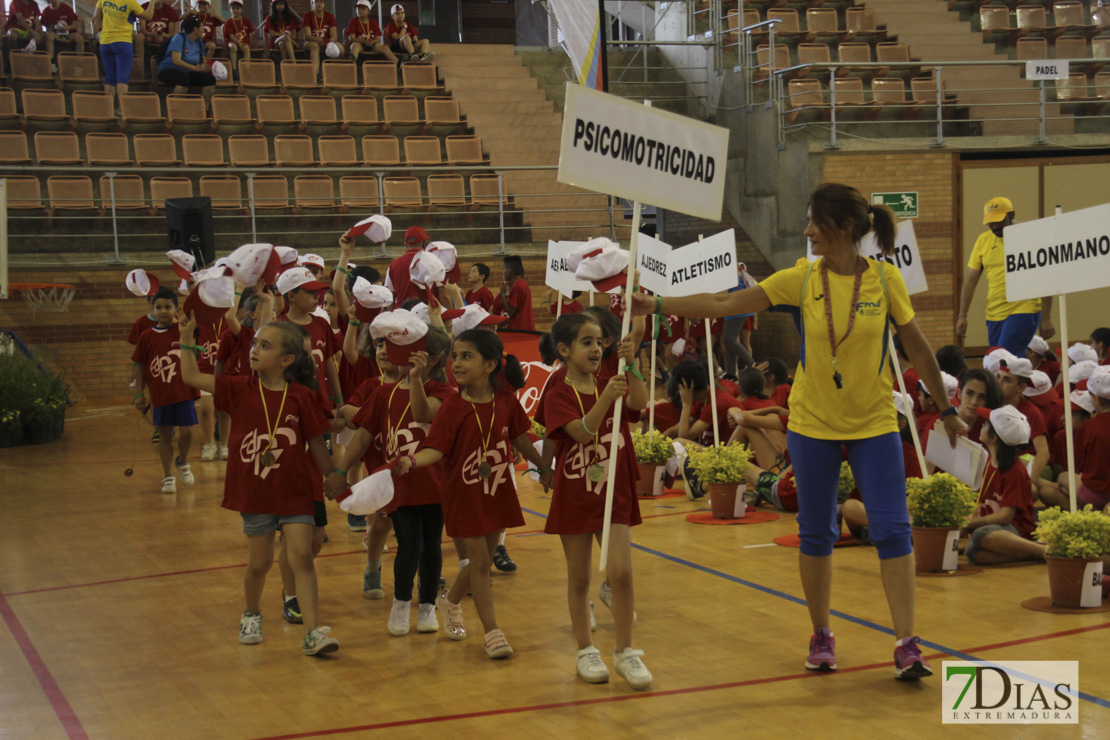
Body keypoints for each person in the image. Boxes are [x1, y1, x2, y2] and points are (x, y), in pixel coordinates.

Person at [632, 182, 965, 681]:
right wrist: (656, 306)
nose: (807, 230)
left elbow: (916, 346)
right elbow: (725, 304)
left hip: (874, 424)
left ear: (845, 229)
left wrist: (945, 409)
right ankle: (822, 634)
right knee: (816, 532)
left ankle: (907, 643)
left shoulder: (886, 280)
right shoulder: (800, 278)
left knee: (894, 529)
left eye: (815, 221)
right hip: (812, 426)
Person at [179, 315, 340, 656]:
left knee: (302, 558)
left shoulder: (300, 397)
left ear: (286, 360)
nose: (254, 350)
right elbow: (191, 376)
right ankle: (251, 612)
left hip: (295, 494)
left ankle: (312, 632)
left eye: (264, 346)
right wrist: (185, 340)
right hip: (255, 494)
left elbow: (314, 441)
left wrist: (332, 475)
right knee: (259, 564)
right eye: (255, 344)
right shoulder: (238, 388)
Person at [395, 330, 546, 658]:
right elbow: (434, 448)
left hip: (496, 488)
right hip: (462, 494)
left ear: (490, 364)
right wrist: (411, 460)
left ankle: (447, 602)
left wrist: (543, 467)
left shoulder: (505, 400)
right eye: (455, 356)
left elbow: (520, 436)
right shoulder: (451, 406)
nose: (457, 363)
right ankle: (492, 632)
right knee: (479, 561)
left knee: (484, 561)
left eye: (466, 356)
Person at [325, 313, 453, 637]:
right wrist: (341, 470)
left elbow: (424, 412)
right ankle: (400, 602)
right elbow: (363, 435)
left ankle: (426, 606)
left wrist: (418, 378)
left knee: (431, 546)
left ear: (431, 358)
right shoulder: (384, 393)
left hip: (436, 484)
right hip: (400, 485)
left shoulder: (443, 391)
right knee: (409, 544)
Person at [542, 313, 652, 690]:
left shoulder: (612, 379)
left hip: (614, 493)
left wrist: (632, 362)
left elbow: (640, 402)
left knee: (621, 572)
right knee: (580, 577)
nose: (595, 348)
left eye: (599, 342)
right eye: (586, 342)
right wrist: (607, 395)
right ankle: (586, 650)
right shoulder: (558, 393)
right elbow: (582, 432)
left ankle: (625, 651)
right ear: (565, 350)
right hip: (575, 494)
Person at [957, 197, 1055, 356]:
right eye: (990, 223)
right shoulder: (983, 240)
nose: (994, 226)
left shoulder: (1030, 236)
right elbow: (970, 280)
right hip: (994, 312)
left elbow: (1045, 278)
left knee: (1004, 361)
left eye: (998, 221)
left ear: (1011, 215)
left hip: (1024, 308)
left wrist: (1046, 317)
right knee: (1000, 365)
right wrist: (962, 315)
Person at [130, 287, 200, 495]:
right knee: (165, 435)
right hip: (160, 395)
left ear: (176, 309)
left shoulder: (184, 330)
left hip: (184, 392)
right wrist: (138, 393)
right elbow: (139, 366)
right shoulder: (146, 336)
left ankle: (183, 461)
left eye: (167, 307)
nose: (163, 311)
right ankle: (167, 475)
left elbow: (196, 331)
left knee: (187, 432)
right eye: (158, 307)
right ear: (152, 308)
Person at [962, 406, 1042, 566]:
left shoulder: (1015, 470)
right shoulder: (990, 460)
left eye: (985, 425)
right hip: (995, 527)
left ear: (994, 438)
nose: (981, 425)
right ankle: (1030, 555)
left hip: (1015, 528)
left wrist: (969, 523)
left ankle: (1044, 551)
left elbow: (1005, 517)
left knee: (980, 534)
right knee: (972, 552)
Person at [216, 289, 274, 460]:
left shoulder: (272, 334)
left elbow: (266, 324)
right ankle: (239, 456)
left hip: (267, 387)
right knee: (244, 428)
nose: (271, 312)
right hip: (247, 388)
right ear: (251, 314)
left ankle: (263, 455)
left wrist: (269, 296)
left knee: (265, 426)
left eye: (272, 308)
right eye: (266, 308)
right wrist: (238, 290)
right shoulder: (244, 334)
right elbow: (229, 317)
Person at [93, 0, 152, 105]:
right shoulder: (130, 2)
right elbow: (148, 16)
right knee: (122, 77)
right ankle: (122, 108)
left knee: (110, 76)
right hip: (123, 41)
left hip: (105, 41)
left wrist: (104, 26)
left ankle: (109, 109)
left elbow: (96, 17)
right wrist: (152, 2)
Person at [157, 17, 216, 106]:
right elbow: (176, 61)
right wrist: (195, 68)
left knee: (210, 80)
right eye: (201, 27)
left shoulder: (199, 42)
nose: (203, 30)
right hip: (168, 69)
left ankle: (204, 109)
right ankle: (174, 110)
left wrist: (208, 68)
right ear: (195, 29)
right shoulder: (179, 38)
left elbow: (203, 61)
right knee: (183, 80)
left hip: (187, 71)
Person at [721, 261, 758, 378]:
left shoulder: (728, 272)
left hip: (737, 308)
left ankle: (754, 365)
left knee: (728, 339)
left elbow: (722, 294)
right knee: (729, 340)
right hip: (733, 310)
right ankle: (731, 374)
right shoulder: (730, 271)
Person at [384, 226, 429, 306]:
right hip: (428, 313)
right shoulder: (433, 262)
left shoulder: (393, 265)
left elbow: (389, 296)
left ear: (405, 243)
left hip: (402, 315)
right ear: (425, 243)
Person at [492, 256, 534, 331]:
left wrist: (503, 294)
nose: (502, 272)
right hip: (524, 328)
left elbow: (511, 312)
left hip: (519, 329)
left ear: (509, 271)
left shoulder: (517, 286)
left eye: (503, 269)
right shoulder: (523, 284)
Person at [346, 0, 395, 64]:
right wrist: (364, 41)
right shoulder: (353, 21)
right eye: (358, 8)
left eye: (363, 8)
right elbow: (351, 38)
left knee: (385, 48)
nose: (360, 10)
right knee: (355, 46)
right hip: (360, 44)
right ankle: (351, 65)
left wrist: (372, 42)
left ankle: (399, 64)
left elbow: (378, 39)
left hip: (372, 45)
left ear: (369, 11)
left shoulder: (373, 22)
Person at [301, 0, 338, 78]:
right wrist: (318, 39)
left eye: (322, 1)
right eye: (317, 1)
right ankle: (316, 75)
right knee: (315, 46)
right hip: (311, 42)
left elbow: (334, 36)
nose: (319, 3)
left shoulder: (330, 16)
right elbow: (307, 36)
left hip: (326, 41)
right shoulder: (307, 16)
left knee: (340, 48)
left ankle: (335, 75)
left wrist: (327, 42)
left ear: (324, 4)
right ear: (312, 3)